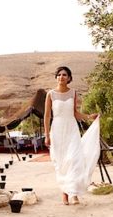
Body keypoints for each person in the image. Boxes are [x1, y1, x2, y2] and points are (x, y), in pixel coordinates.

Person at [43, 66, 101, 205]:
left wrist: (89, 117)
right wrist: (46, 135)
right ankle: (64, 193)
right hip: (57, 130)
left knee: (74, 160)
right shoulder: (50, 94)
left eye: (64, 75)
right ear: (56, 77)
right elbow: (47, 116)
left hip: (71, 129)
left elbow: (75, 113)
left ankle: (73, 193)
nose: (61, 77)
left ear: (69, 78)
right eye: (59, 74)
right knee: (62, 162)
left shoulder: (73, 93)